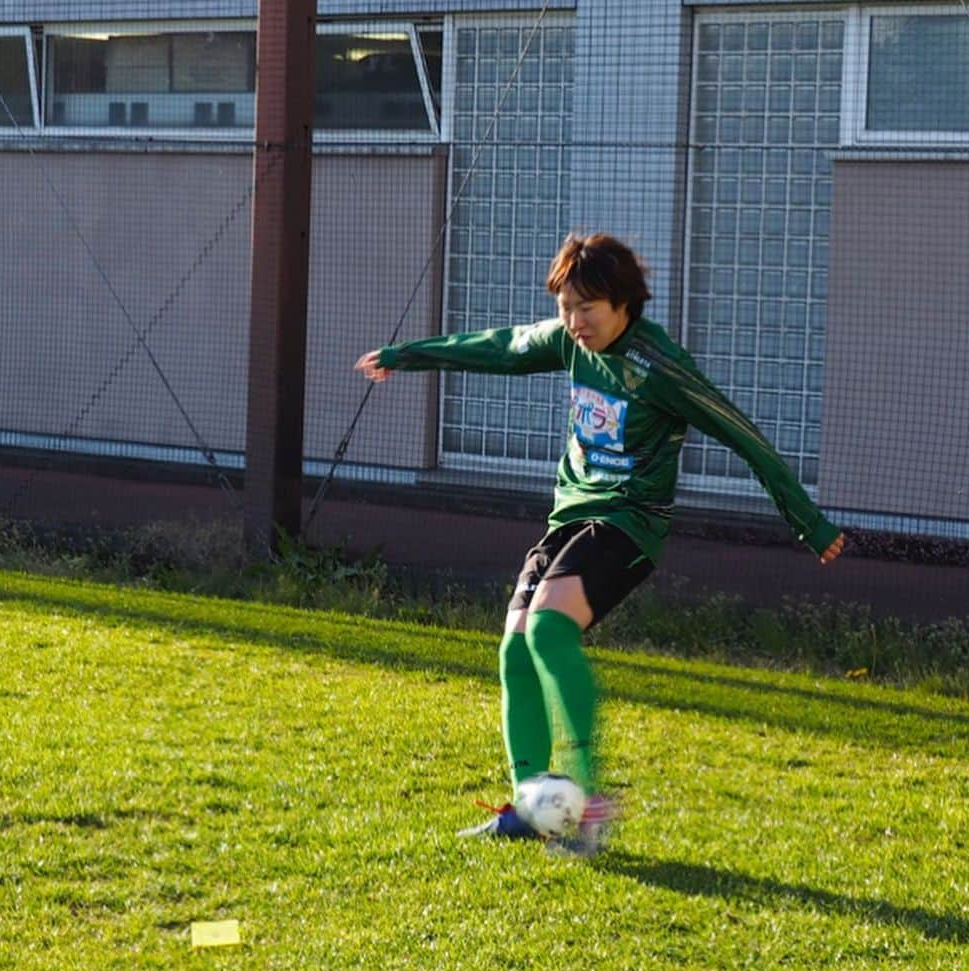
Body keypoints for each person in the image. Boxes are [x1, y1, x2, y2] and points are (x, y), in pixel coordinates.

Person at [356, 232, 844, 856]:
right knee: (513, 650)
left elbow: (740, 432)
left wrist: (808, 521)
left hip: (629, 525)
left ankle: (586, 799)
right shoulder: (568, 340)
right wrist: (408, 354)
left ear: (623, 304)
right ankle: (531, 806)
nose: (574, 321)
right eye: (565, 306)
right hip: (571, 518)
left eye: (587, 307)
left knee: (548, 631)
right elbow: (501, 347)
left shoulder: (661, 367)